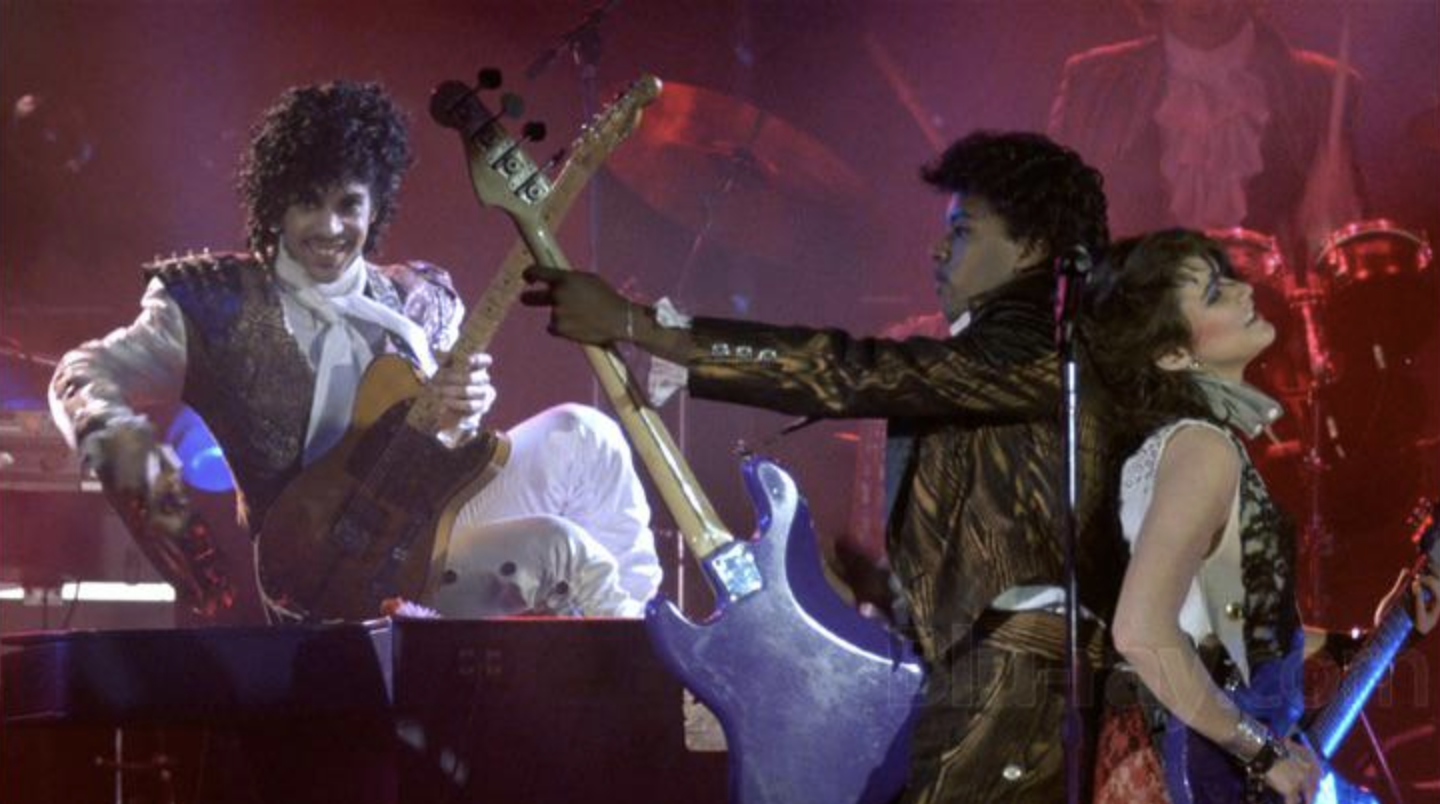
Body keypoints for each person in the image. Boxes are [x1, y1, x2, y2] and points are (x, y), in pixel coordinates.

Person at [523, 130, 1128, 803]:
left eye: (962, 231)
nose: (937, 249)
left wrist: (647, 328)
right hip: (993, 683)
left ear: (1033, 247)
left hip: (1020, 694)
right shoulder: (1016, 354)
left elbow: (850, 371)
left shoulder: (1037, 347)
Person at [48, 81, 660, 622]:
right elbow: (82, 373)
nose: (331, 227)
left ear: (376, 205)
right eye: (309, 203)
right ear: (275, 204)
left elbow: (445, 447)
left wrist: (460, 411)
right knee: (560, 547)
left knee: (589, 435)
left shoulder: (419, 299)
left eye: (349, 205)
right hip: (327, 572)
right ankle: (645, 685)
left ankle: (657, 643)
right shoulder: (215, 302)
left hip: (429, 520)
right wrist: (139, 472)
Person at [1079, 228, 1440, 803]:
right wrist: (1264, 751)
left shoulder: (1185, 446)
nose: (1247, 292)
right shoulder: (1201, 450)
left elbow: (1227, 629)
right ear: (1173, 353)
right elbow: (1141, 630)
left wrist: (1376, 639)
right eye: (1218, 292)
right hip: (1176, 771)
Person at [1048, 0, 1363, 261]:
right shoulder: (1092, 85)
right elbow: (1049, 236)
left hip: (1279, 330)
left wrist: (1341, 239)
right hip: (1134, 327)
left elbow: (1379, 262)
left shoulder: (1327, 88)